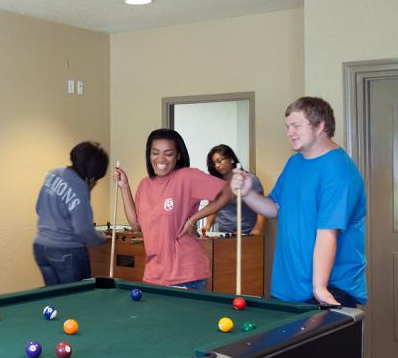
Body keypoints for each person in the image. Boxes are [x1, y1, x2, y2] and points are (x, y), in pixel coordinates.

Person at [231, 97, 366, 307]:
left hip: (328, 288)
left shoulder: (339, 172)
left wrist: (319, 287)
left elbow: (328, 232)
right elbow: (274, 208)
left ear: (320, 125)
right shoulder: (295, 162)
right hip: (289, 286)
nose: (289, 132)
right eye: (287, 127)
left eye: (296, 125)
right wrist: (247, 193)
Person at [114, 129, 234, 290]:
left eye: (168, 153)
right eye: (155, 153)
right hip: (154, 275)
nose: (161, 159)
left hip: (186, 275)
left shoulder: (187, 177)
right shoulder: (144, 185)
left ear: (178, 155)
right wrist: (125, 187)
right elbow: (137, 226)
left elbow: (230, 191)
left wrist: (194, 218)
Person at [33, 141, 109, 286]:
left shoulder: (53, 173)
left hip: (40, 248)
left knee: (55, 298)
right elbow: (83, 230)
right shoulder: (80, 187)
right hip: (67, 252)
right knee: (77, 300)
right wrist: (101, 239)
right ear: (93, 173)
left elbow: (38, 208)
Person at [205, 144, 265, 235]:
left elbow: (262, 208)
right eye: (214, 164)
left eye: (220, 161)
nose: (217, 165)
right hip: (222, 234)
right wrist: (207, 227)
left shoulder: (250, 180)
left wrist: (258, 229)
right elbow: (212, 209)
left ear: (231, 159)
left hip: (248, 234)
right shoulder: (215, 184)